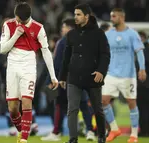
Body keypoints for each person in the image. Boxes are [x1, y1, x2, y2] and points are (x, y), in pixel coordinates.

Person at [0, 2, 58, 143]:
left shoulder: (38, 28)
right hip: (12, 66)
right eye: (19, 19)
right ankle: (23, 131)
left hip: (29, 67)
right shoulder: (8, 25)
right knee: (13, 109)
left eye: (23, 21)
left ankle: (24, 139)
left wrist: (53, 76)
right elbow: (3, 49)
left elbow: (46, 52)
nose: (20, 22)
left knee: (27, 103)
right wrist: (15, 36)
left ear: (29, 17)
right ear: (15, 16)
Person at [58, 4, 110, 143]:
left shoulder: (99, 34)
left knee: (97, 109)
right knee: (72, 109)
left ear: (87, 16)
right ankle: (73, 139)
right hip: (74, 77)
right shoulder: (71, 34)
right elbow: (66, 57)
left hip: (93, 77)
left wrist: (101, 71)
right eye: (75, 14)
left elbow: (105, 55)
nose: (75, 17)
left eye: (78, 14)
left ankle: (101, 136)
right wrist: (63, 76)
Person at [41, 18, 95, 141]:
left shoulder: (63, 41)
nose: (62, 30)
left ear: (69, 28)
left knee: (60, 104)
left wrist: (54, 79)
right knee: (83, 105)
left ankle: (57, 132)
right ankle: (90, 131)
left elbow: (58, 62)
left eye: (64, 27)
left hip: (66, 80)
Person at [102, 8, 147, 143]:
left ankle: (134, 135)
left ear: (122, 17)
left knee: (131, 103)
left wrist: (142, 69)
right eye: (111, 16)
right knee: (103, 101)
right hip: (111, 74)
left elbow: (139, 52)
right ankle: (114, 129)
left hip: (128, 74)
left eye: (114, 16)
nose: (112, 19)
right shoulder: (109, 34)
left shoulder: (132, 34)